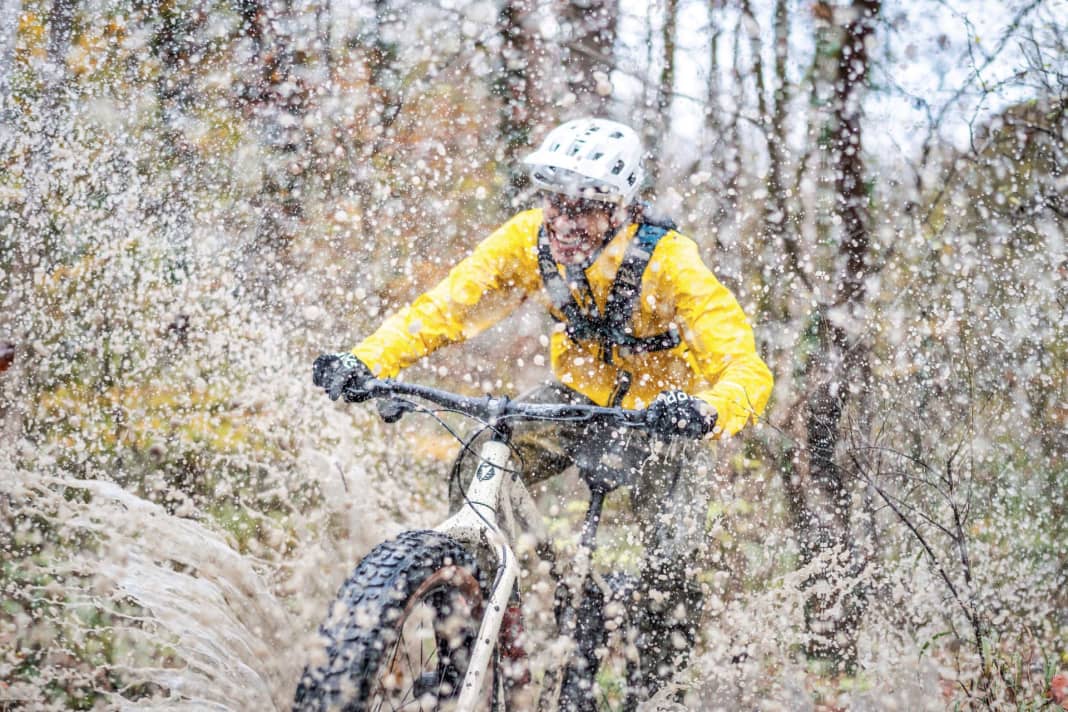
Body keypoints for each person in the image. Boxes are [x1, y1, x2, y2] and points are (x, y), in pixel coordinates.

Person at [312, 118, 773, 707]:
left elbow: (747, 369)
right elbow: (446, 307)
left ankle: (657, 691)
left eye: (585, 208)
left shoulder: (672, 262)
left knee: (671, 568)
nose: (564, 222)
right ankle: (496, 631)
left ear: (622, 210)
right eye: (556, 202)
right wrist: (366, 360)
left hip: (660, 415)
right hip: (574, 399)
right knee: (477, 471)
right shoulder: (526, 239)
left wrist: (706, 411)